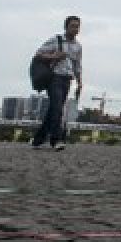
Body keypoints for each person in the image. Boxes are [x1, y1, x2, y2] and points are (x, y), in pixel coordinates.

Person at [31, 15, 83, 151]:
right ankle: (57, 140)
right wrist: (54, 56)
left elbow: (78, 66)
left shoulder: (78, 46)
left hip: (67, 79)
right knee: (58, 108)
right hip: (54, 77)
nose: (75, 29)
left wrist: (80, 83)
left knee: (54, 109)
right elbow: (38, 54)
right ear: (66, 27)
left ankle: (38, 140)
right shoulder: (56, 40)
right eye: (72, 26)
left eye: (77, 26)